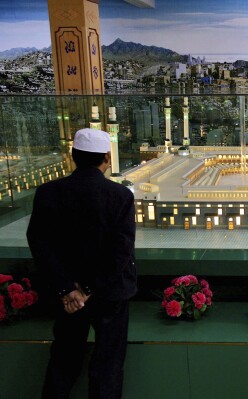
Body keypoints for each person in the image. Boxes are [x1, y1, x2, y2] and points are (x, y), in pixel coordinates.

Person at [27, 128, 137, 399]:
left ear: (72, 156)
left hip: (68, 299)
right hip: (109, 294)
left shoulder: (48, 192)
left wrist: (69, 290)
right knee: (107, 366)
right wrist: (88, 288)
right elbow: (120, 252)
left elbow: (40, 245)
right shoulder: (120, 196)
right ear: (107, 158)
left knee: (63, 361)